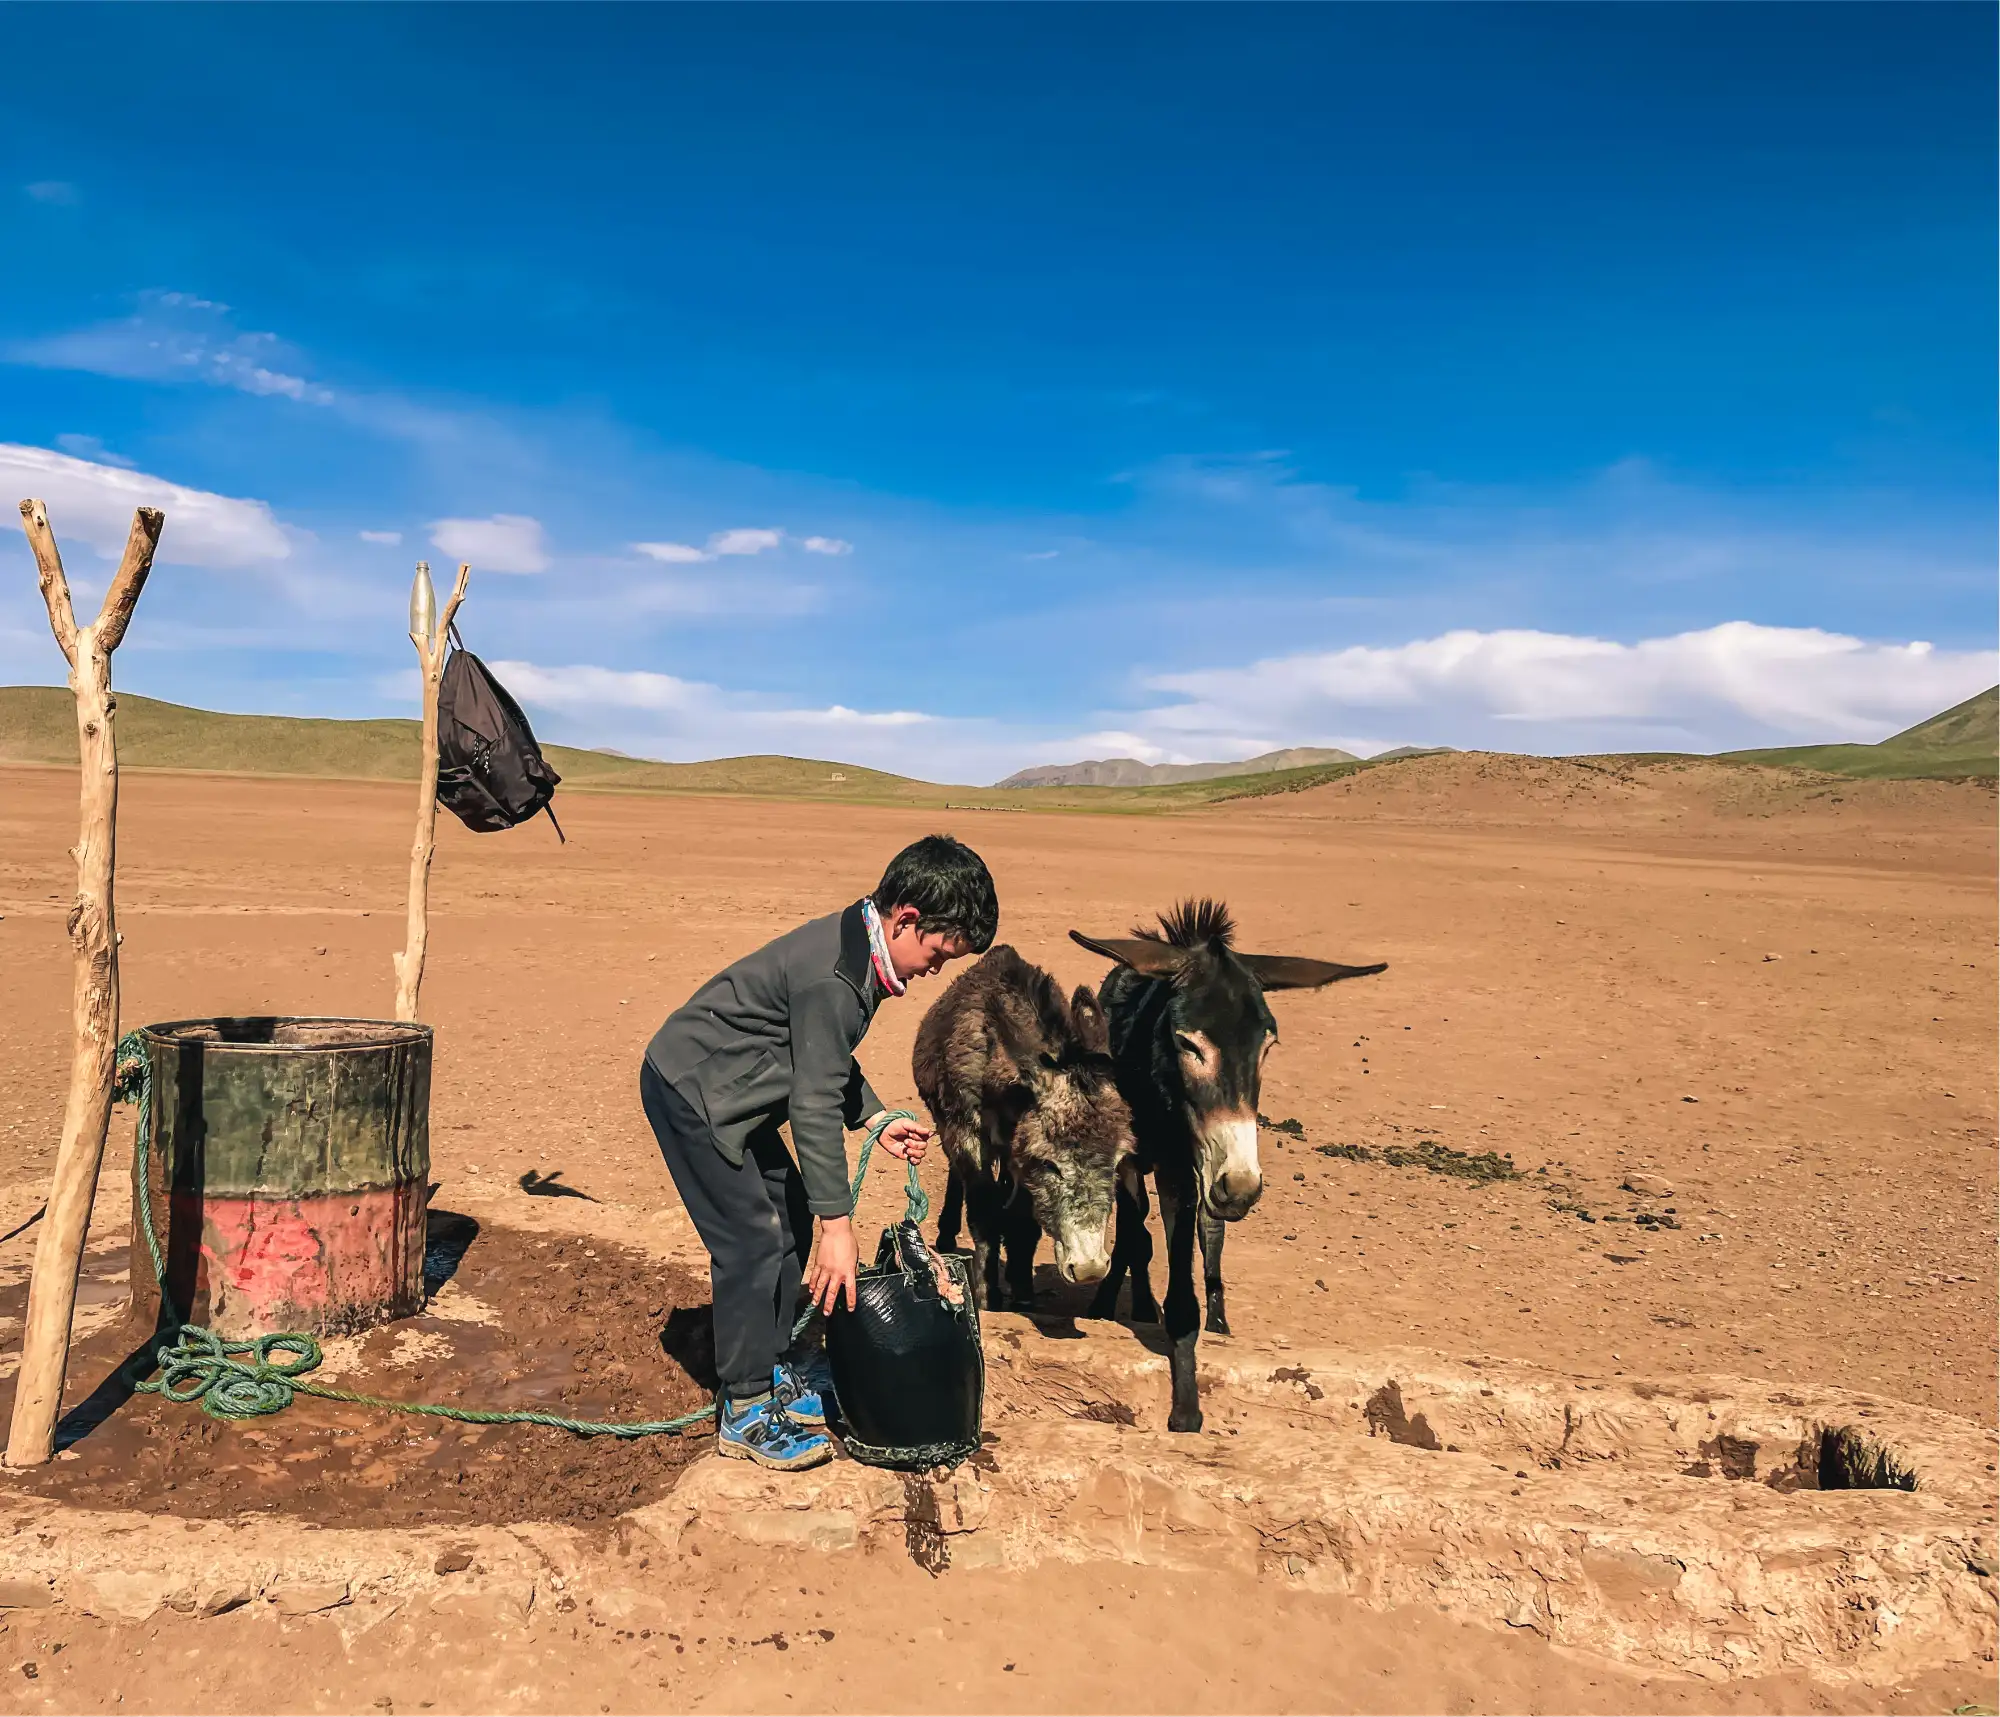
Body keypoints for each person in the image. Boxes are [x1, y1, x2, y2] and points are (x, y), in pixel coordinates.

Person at [641, 835, 998, 1470]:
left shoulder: (856, 951)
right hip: (693, 1092)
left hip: (738, 1089)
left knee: (790, 1213)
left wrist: (875, 1118)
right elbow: (810, 1103)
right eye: (938, 955)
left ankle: (775, 1364)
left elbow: (823, 1059)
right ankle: (746, 1408)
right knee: (751, 1239)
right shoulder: (835, 975)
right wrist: (840, 1225)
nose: (933, 972)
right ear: (906, 919)